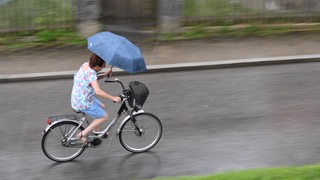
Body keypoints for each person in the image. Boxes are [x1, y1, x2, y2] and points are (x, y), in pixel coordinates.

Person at [71, 53, 121, 145]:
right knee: (104, 116)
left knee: (101, 106)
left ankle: (95, 133)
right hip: (83, 102)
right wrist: (113, 98)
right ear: (96, 66)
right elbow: (98, 91)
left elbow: (92, 79)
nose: (104, 67)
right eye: (102, 66)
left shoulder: (85, 65)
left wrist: (104, 74)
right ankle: (82, 134)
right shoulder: (91, 73)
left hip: (78, 97)